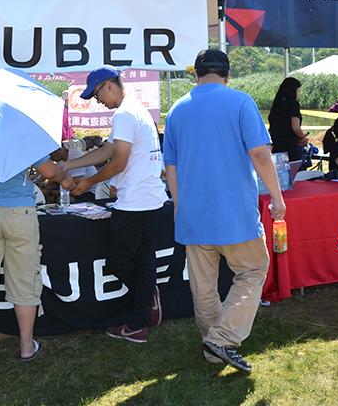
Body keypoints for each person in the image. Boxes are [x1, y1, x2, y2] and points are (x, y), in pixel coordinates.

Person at [163, 49, 286, 374]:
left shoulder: (176, 110)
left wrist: (178, 204)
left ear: (197, 75)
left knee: (203, 286)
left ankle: (214, 349)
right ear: (227, 75)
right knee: (253, 270)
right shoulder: (241, 101)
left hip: (193, 212)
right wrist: (277, 197)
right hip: (234, 213)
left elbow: (170, 168)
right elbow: (260, 154)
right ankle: (223, 338)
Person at [59, 65, 167, 344]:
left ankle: (145, 301)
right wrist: (69, 165)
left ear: (109, 85)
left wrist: (89, 182)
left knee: (120, 263)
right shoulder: (135, 110)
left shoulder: (124, 113)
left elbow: (117, 162)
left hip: (135, 204)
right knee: (143, 263)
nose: (98, 102)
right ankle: (139, 321)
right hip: (149, 199)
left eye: (96, 95)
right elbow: (107, 150)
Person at [0, 159, 74, 374]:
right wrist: (66, 178)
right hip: (21, 212)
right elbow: (50, 172)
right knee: (24, 280)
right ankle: (27, 347)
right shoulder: (21, 130)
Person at [268, 77, 308, 163]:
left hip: (276, 147)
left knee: (280, 173)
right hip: (289, 148)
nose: (299, 94)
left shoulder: (276, 105)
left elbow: (271, 130)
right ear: (293, 91)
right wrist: (303, 137)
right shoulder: (293, 104)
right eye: (298, 91)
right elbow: (295, 128)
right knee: (292, 173)